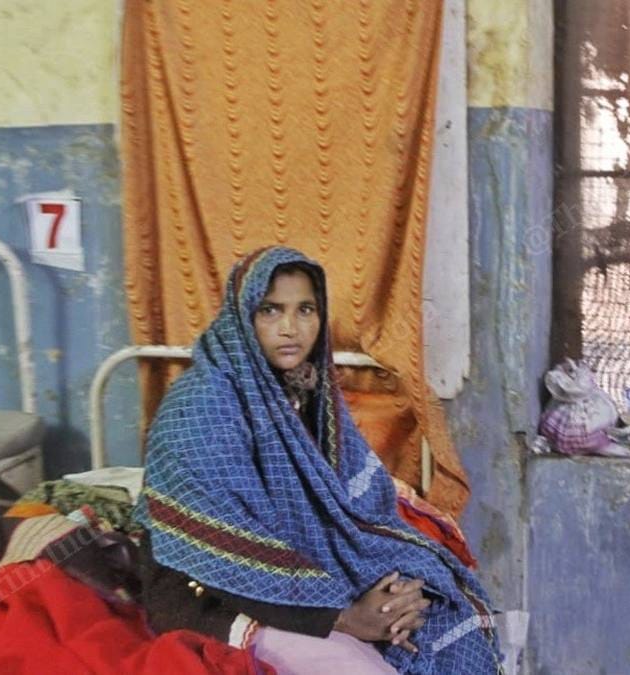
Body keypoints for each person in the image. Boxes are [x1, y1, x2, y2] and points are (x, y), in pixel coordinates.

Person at [134, 246, 501, 674]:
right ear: (243, 316)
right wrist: (345, 618)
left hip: (304, 574)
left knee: (445, 619)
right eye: (271, 310)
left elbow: (353, 510)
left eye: (305, 309)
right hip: (207, 594)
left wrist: (399, 593)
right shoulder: (198, 409)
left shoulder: (305, 390)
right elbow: (226, 556)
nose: (291, 328)